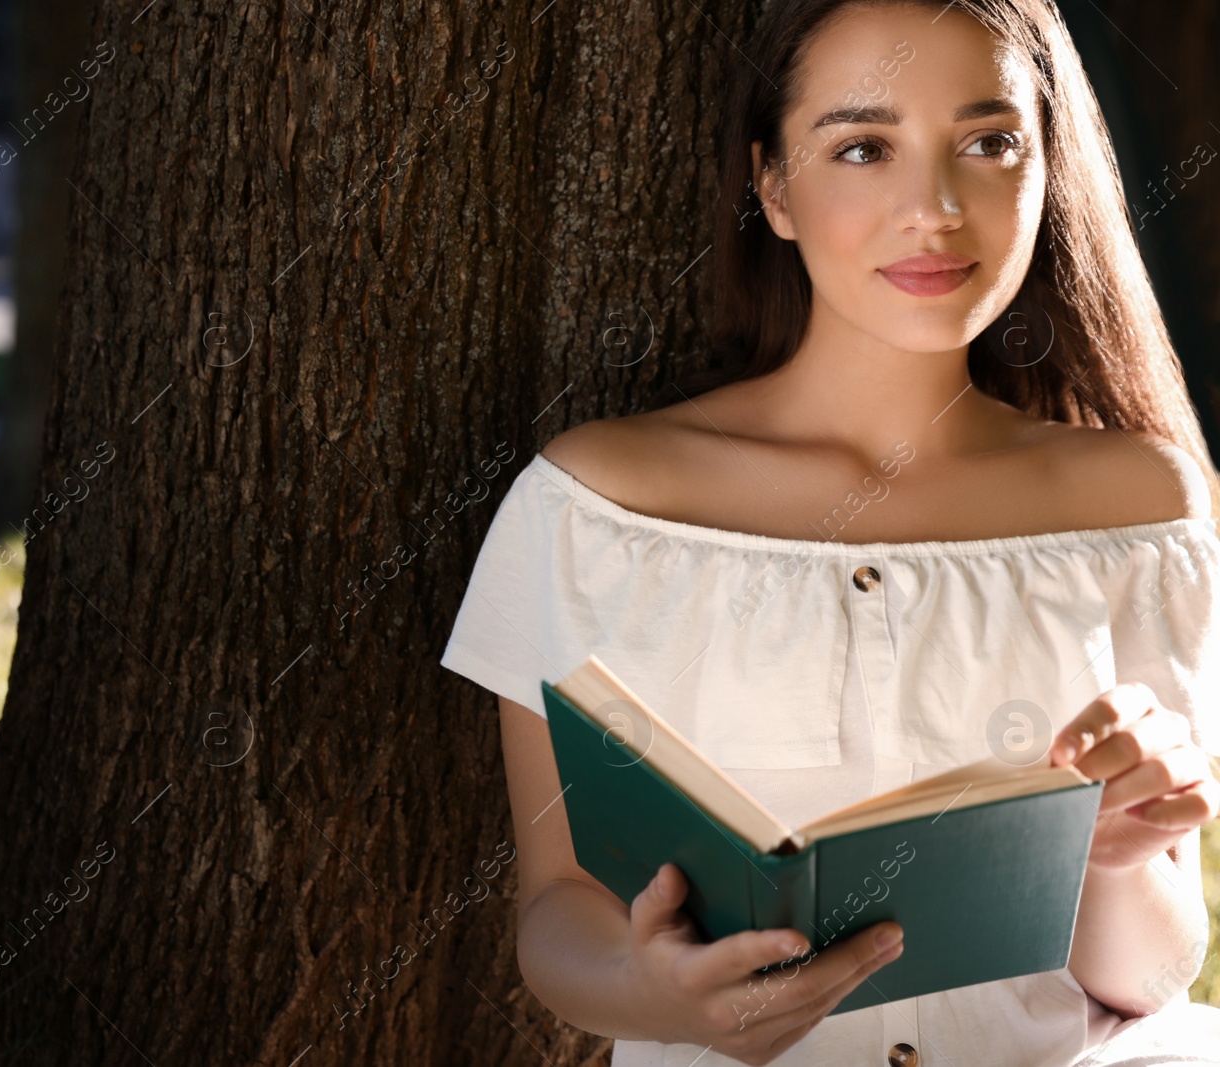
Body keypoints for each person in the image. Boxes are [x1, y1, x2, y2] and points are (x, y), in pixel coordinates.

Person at [438, 1, 1220, 1064]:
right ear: (772, 186)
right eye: (862, 148)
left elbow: (1150, 973)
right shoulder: (598, 503)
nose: (935, 208)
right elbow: (557, 902)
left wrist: (1115, 862)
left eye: (989, 144)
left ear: (1047, 167)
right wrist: (650, 991)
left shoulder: (1138, 503)